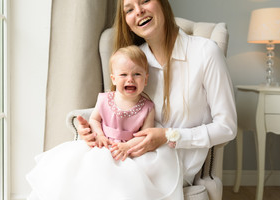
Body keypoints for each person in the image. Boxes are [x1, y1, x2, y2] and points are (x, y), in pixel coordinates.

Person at [77, 0, 237, 199]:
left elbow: (227, 127)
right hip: (127, 154)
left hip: (174, 163)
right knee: (79, 173)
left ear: (162, 4)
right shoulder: (135, 63)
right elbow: (115, 109)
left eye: (145, 1)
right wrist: (94, 131)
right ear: (127, 22)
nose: (139, 11)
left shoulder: (206, 53)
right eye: (129, 9)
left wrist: (168, 136)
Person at [26, 45, 180, 200]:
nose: (130, 79)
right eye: (123, 74)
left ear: (146, 79)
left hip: (128, 151)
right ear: (113, 78)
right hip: (104, 145)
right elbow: (94, 119)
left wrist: (127, 146)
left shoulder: (147, 107)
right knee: (84, 170)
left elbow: (145, 135)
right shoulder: (105, 99)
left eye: (137, 74)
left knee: (128, 184)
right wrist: (99, 135)